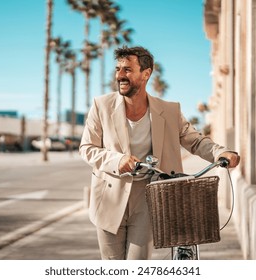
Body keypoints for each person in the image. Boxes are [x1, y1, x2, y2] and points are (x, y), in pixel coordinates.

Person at [79, 46, 240, 260]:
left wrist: (222, 152)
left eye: (127, 70)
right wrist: (117, 160)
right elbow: (87, 148)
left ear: (146, 74)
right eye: (118, 69)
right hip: (109, 197)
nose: (119, 75)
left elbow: (195, 140)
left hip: (149, 197)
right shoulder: (101, 106)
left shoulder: (169, 110)